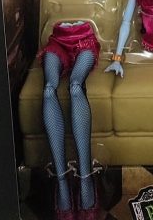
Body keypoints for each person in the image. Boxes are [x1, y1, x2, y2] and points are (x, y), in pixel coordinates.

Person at [40, 21, 101, 220]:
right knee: (48, 90)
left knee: (75, 86)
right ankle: (62, 182)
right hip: (57, 40)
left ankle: (85, 179)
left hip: (85, 37)